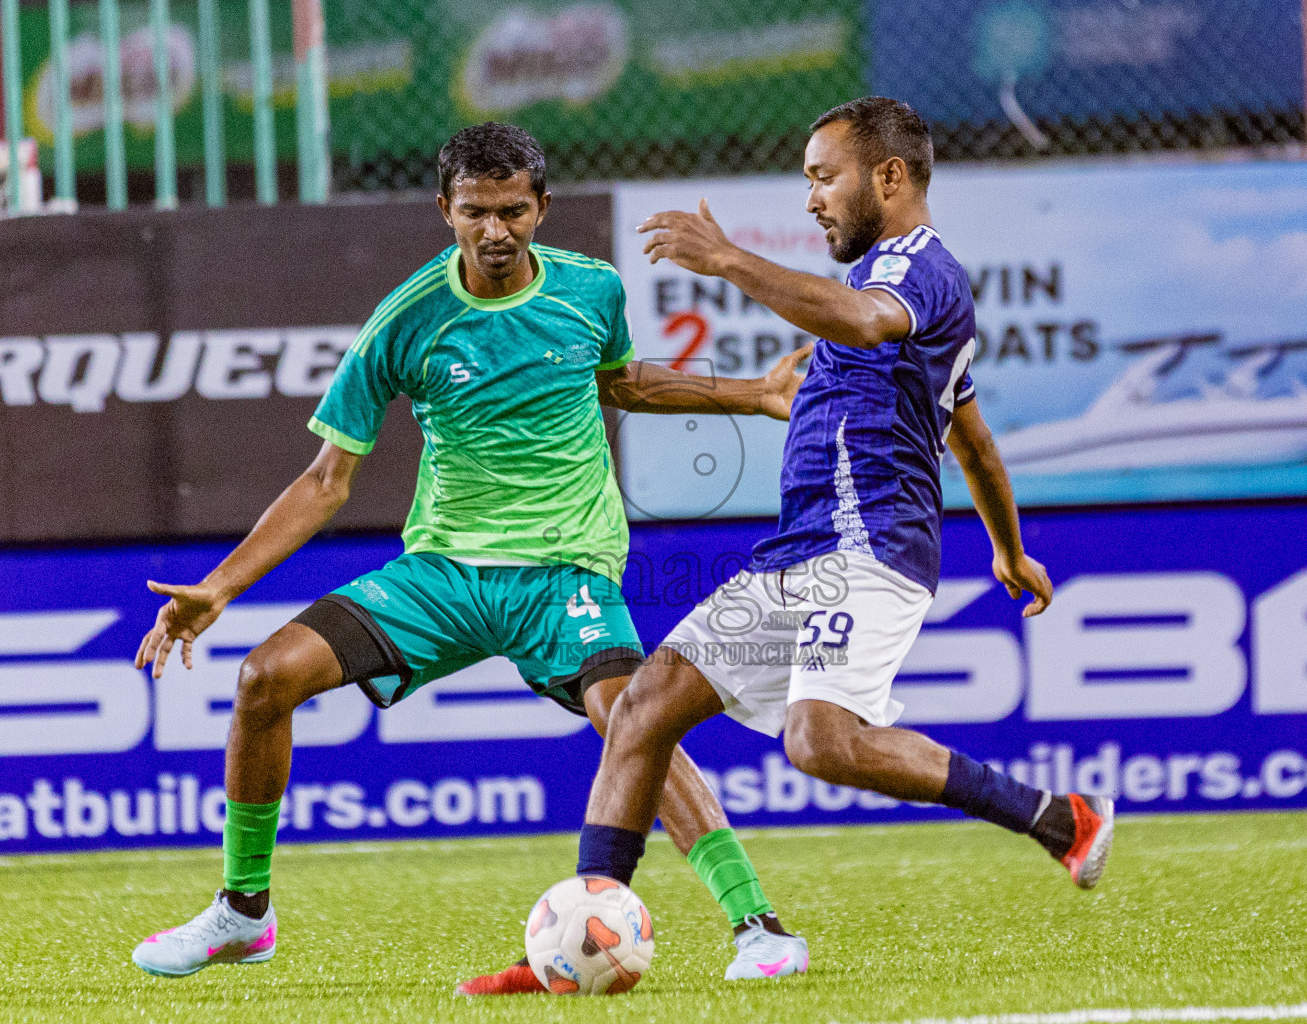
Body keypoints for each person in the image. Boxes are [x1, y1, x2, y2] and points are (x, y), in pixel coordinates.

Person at [129, 122, 811, 987]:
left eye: (514, 211)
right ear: (445, 210)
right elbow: (326, 480)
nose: (496, 231)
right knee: (265, 678)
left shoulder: (591, 290)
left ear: (542, 207)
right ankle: (242, 914)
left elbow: (620, 381)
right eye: (476, 212)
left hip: (565, 569)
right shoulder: (405, 321)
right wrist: (219, 588)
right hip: (443, 573)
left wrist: (752, 395)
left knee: (634, 716)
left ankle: (758, 926)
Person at [568, 98, 1115, 921]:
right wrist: (1008, 548)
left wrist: (725, 259)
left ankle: (1055, 816)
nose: (812, 198)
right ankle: (588, 923)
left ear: (889, 176)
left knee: (820, 740)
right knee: (644, 708)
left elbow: (863, 323)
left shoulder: (917, 269)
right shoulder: (884, 286)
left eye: (825, 177)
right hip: (802, 552)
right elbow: (974, 443)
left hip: (869, 549)